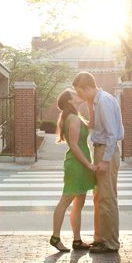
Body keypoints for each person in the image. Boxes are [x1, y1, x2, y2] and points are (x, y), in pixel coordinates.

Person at [72, 72, 124, 253]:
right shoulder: (96, 101)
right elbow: (93, 125)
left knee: (107, 198)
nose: (78, 95)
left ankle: (110, 243)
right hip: (100, 149)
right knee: (100, 197)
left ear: (88, 88)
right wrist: (88, 103)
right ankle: (101, 237)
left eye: (80, 91)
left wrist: (106, 161)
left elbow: (111, 135)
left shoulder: (103, 102)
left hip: (105, 151)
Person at [49, 89, 97, 252]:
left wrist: (90, 105)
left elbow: (91, 125)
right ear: (70, 101)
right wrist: (89, 165)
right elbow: (75, 145)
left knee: (79, 203)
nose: (79, 95)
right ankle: (55, 238)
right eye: (75, 94)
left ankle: (77, 240)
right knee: (65, 201)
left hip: (80, 164)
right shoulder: (74, 119)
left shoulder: (74, 117)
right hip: (77, 165)